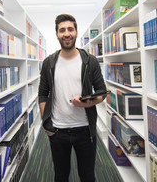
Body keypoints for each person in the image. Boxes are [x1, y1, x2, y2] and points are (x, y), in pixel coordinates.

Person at [38, 14, 106, 182]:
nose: (66, 34)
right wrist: (46, 124)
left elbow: (102, 92)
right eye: (62, 30)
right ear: (57, 34)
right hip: (57, 131)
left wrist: (89, 103)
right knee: (60, 176)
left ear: (76, 32)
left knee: (87, 176)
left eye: (70, 29)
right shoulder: (49, 63)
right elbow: (42, 94)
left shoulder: (90, 61)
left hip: (85, 130)